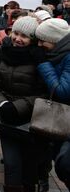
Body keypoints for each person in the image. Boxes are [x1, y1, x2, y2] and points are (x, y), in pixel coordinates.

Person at [0, 16, 50, 191]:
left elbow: (45, 91)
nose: (17, 39)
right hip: (7, 118)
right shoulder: (0, 51)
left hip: (32, 121)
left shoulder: (41, 57)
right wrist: (2, 103)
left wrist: (18, 106)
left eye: (24, 36)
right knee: (11, 165)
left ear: (34, 39)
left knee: (30, 168)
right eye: (15, 33)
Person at [35, 18, 70, 189]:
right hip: (55, 118)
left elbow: (63, 91)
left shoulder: (68, 57)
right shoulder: (58, 53)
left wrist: (43, 65)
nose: (40, 44)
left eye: (43, 40)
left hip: (64, 119)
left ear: (55, 40)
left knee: (64, 163)